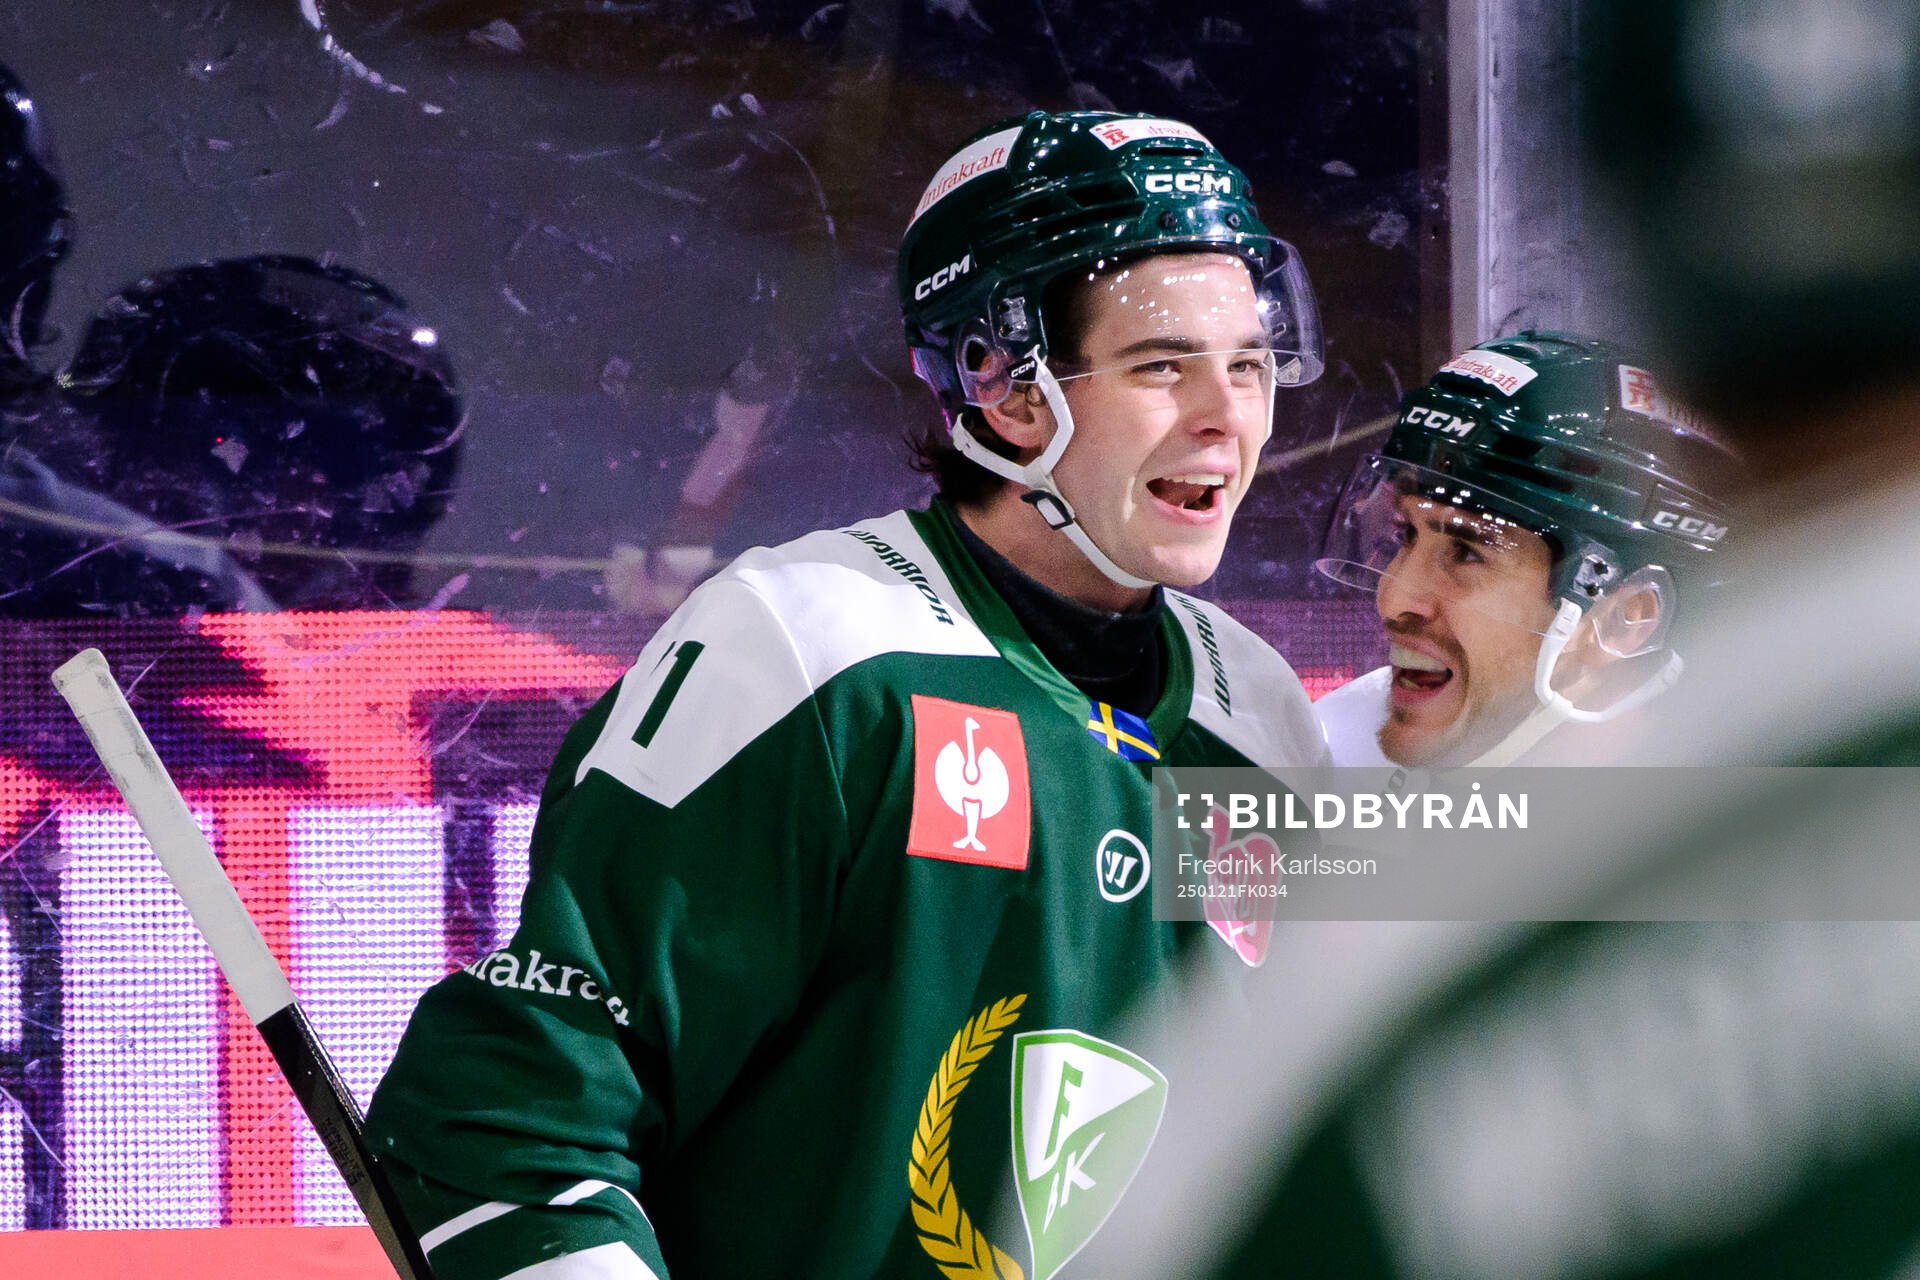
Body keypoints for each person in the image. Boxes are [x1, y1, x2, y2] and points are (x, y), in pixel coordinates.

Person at [364, 109, 1331, 1280]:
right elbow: (502, 1124)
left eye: (1248, 360)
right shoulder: (810, 653)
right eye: (1163, 363)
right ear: (1004, 388)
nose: (1231, 414)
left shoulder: (1260, 719)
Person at [1312, 332, 1738, 767]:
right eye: (1407, 535)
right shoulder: (1333, 746)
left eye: (1467, 552)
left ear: (1624, 620)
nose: (1395, 599)